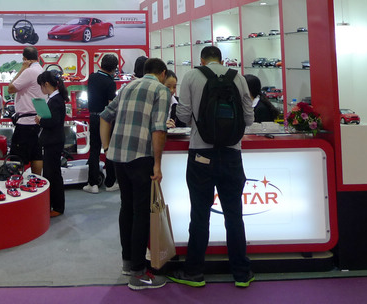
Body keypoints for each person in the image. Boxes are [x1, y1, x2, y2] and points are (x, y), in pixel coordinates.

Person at [172, 45, 255, 289]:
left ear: (202, 60)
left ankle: (194, 272)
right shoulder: (238, 77)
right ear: (221, 59)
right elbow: (249, 118)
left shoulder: (191, 76)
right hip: (232, 154)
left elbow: (183, 116)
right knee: (234, 214)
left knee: (199, 214)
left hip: (201, 153)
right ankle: (241, 273)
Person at [100, 57, 171, 291]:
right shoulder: (160, 90)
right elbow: (159, 128)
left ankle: (128, 262)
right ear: (162, 73)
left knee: (127, 208)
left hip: (118, 156)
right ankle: (138, 274)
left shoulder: (127, 86)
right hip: (141, 157)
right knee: (141, 213)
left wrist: (107, 147)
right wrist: (157, 163)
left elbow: (104, 116)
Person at [83, 53, 119, 193]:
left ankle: (92, 184)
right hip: (105, 119)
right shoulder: (110, 83)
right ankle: (110, 183)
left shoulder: (92, 77)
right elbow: (111, 106)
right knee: (108, 148)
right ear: (114, 68)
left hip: (93, 117)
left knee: (94, 150)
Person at [7, 46, 45, 174]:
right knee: (36, 153)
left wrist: (22, 69)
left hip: (25, 121)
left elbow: (10, 88)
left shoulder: (28, 72)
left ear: (24, 58)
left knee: (17, 156)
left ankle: (16, 181)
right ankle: (37, 179)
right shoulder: (41, 70)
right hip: (37, 118)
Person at [35, 70, 68, 217]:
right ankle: (54, 205)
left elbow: (54, 121)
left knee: (53, 174)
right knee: (51, 173)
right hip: (53, 140)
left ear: (46, 84)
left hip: (53, 141)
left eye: (41, 86)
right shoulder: (56, 98)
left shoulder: (55, 100)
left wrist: (40, 120)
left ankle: (58, 207)